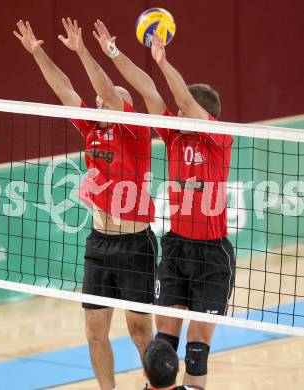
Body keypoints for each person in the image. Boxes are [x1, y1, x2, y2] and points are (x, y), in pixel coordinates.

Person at [14, 18, 157, 390]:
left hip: (136, 244)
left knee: (141, 332)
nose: (96, 101)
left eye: (105, 99)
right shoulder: (92, 127)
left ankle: (157, 386)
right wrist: (37, 53)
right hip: (99, 243)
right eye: (95, 101)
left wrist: (83, 51)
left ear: (124, 106)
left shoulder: (135, 129)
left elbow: (107, 92)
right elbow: (65, 91)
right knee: (94, 334)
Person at [93, 21, 235, 389]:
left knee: (196, 351)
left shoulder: (218, 138)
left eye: (185, 109)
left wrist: (162, 59)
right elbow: (148, 89)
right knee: (163, 347)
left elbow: (184, 99)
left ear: (205, 116)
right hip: (176, 248)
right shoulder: (172, 132)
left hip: (212, 255)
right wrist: (113, 53)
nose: (177, 111)